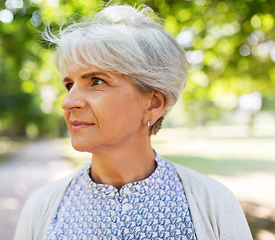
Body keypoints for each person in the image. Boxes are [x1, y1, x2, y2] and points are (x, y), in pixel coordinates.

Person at [14, 4, 252, 240]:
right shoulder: (42, 209)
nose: (68, 102)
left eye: (96, 81)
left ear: (154, 103)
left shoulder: (214, 205)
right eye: (69, 85)